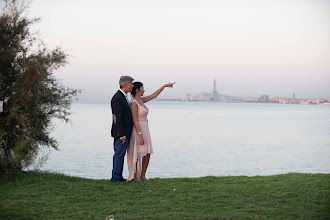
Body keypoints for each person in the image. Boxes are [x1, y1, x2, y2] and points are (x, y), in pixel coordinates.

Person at [127, 81, 175, 181]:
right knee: (137, 152)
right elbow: (134, 119)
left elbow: (153, 95)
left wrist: (164, 86)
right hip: (138, 130)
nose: (144, 90)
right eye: (142, 88)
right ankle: (135, 176)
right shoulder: (133, 103)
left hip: (145, 128)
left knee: (147, 153)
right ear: (137, 90)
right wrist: (139, 134)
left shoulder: (141, 100)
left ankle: (143, 175)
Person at [110, 76, 134, 183]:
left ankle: (118, 176)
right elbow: (117, 118)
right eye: (131, 84)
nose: (133, 86)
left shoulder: (123, 97)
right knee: (119, 154)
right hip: (121, 133)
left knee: (121, 154)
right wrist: (121, 134)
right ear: (126, 85)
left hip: (125, 132)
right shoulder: (117, 98)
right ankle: (115, 177)